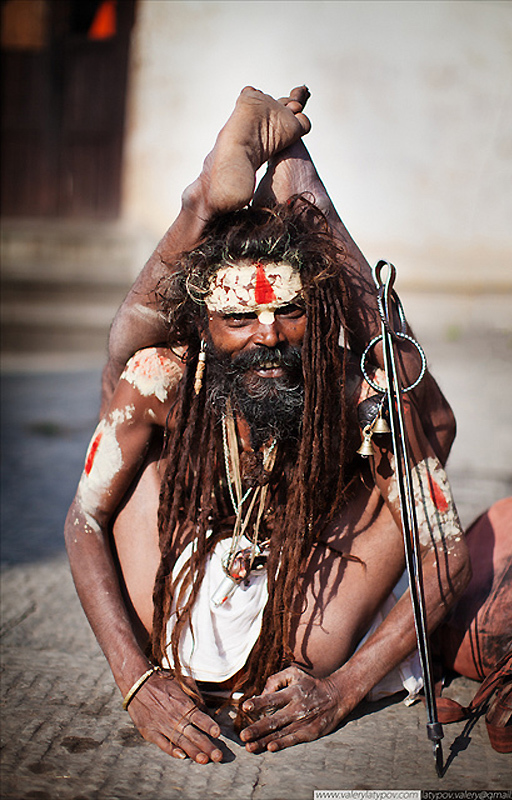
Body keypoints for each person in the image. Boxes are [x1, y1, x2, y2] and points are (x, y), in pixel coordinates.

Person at [64, 86, 471, 765]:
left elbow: (445, 550)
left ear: (317, 309)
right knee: (124, 371)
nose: (267, 337)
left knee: (409, 400)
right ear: (201, 326)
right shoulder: (165, 376)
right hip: (185, 591)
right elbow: (83, 520)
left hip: (303, 593)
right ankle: (209, 200)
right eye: (237, 319)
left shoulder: (355, 396)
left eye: (289, 311)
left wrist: (341, 690)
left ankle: (298, 188)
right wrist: (136, 680)